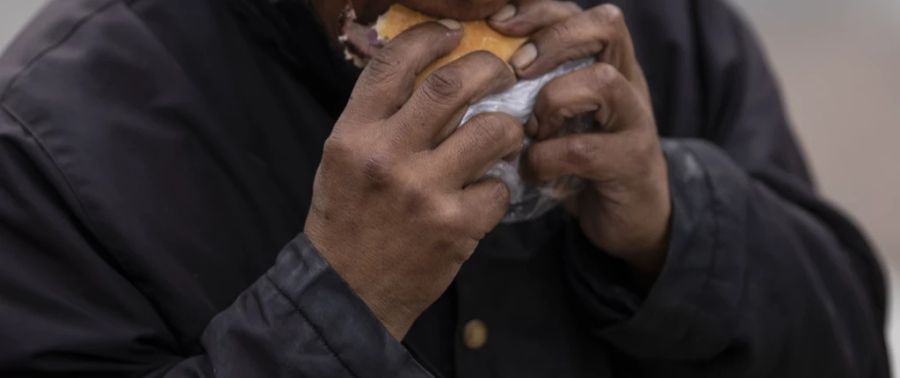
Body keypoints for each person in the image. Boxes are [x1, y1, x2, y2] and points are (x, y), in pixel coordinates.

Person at [0, 0, 889, 376]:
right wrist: (338, 301)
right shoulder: (54, 144)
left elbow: (851, 347)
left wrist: (675, 224)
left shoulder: (659, 24)